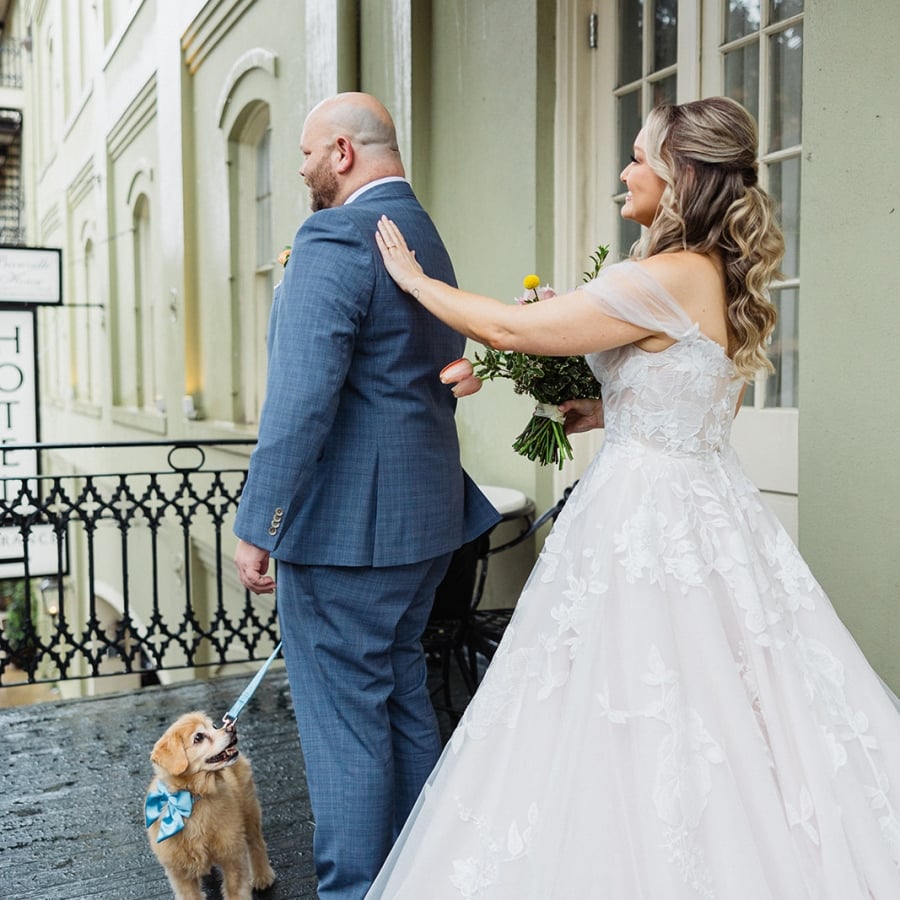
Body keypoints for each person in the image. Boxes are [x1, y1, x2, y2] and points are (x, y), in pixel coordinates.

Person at [365, 96, 900, 898]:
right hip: (709, 508)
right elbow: (712, 401)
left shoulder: (664, 274)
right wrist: (612, 409)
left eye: (640, 155)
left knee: (631, 707)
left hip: (647, 524)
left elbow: (511, 331)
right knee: (729, 710)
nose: (626, 169)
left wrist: (412, 278)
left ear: (680, 174)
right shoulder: (713, 275)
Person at [232, 92, 500, 900]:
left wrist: (260, 522)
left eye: (310, 153)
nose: (304, 168)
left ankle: (355, 891)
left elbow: (301, 399)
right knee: (401, 699)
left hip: (348, 534)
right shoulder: (424, 232)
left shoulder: (335, 234)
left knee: (346, 728)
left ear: (344, 151)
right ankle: (421, 877)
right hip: (425, 522)